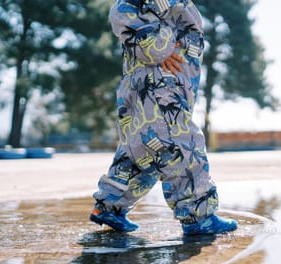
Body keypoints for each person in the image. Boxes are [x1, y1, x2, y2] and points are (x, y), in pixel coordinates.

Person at [90, 0, 237, 235]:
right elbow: (151, 45)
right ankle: (198, 217)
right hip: (159, 92)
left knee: (141, 155)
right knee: (183, 148)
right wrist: (168, 43)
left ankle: (109, 207)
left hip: (158, 91)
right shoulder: (136, 5)